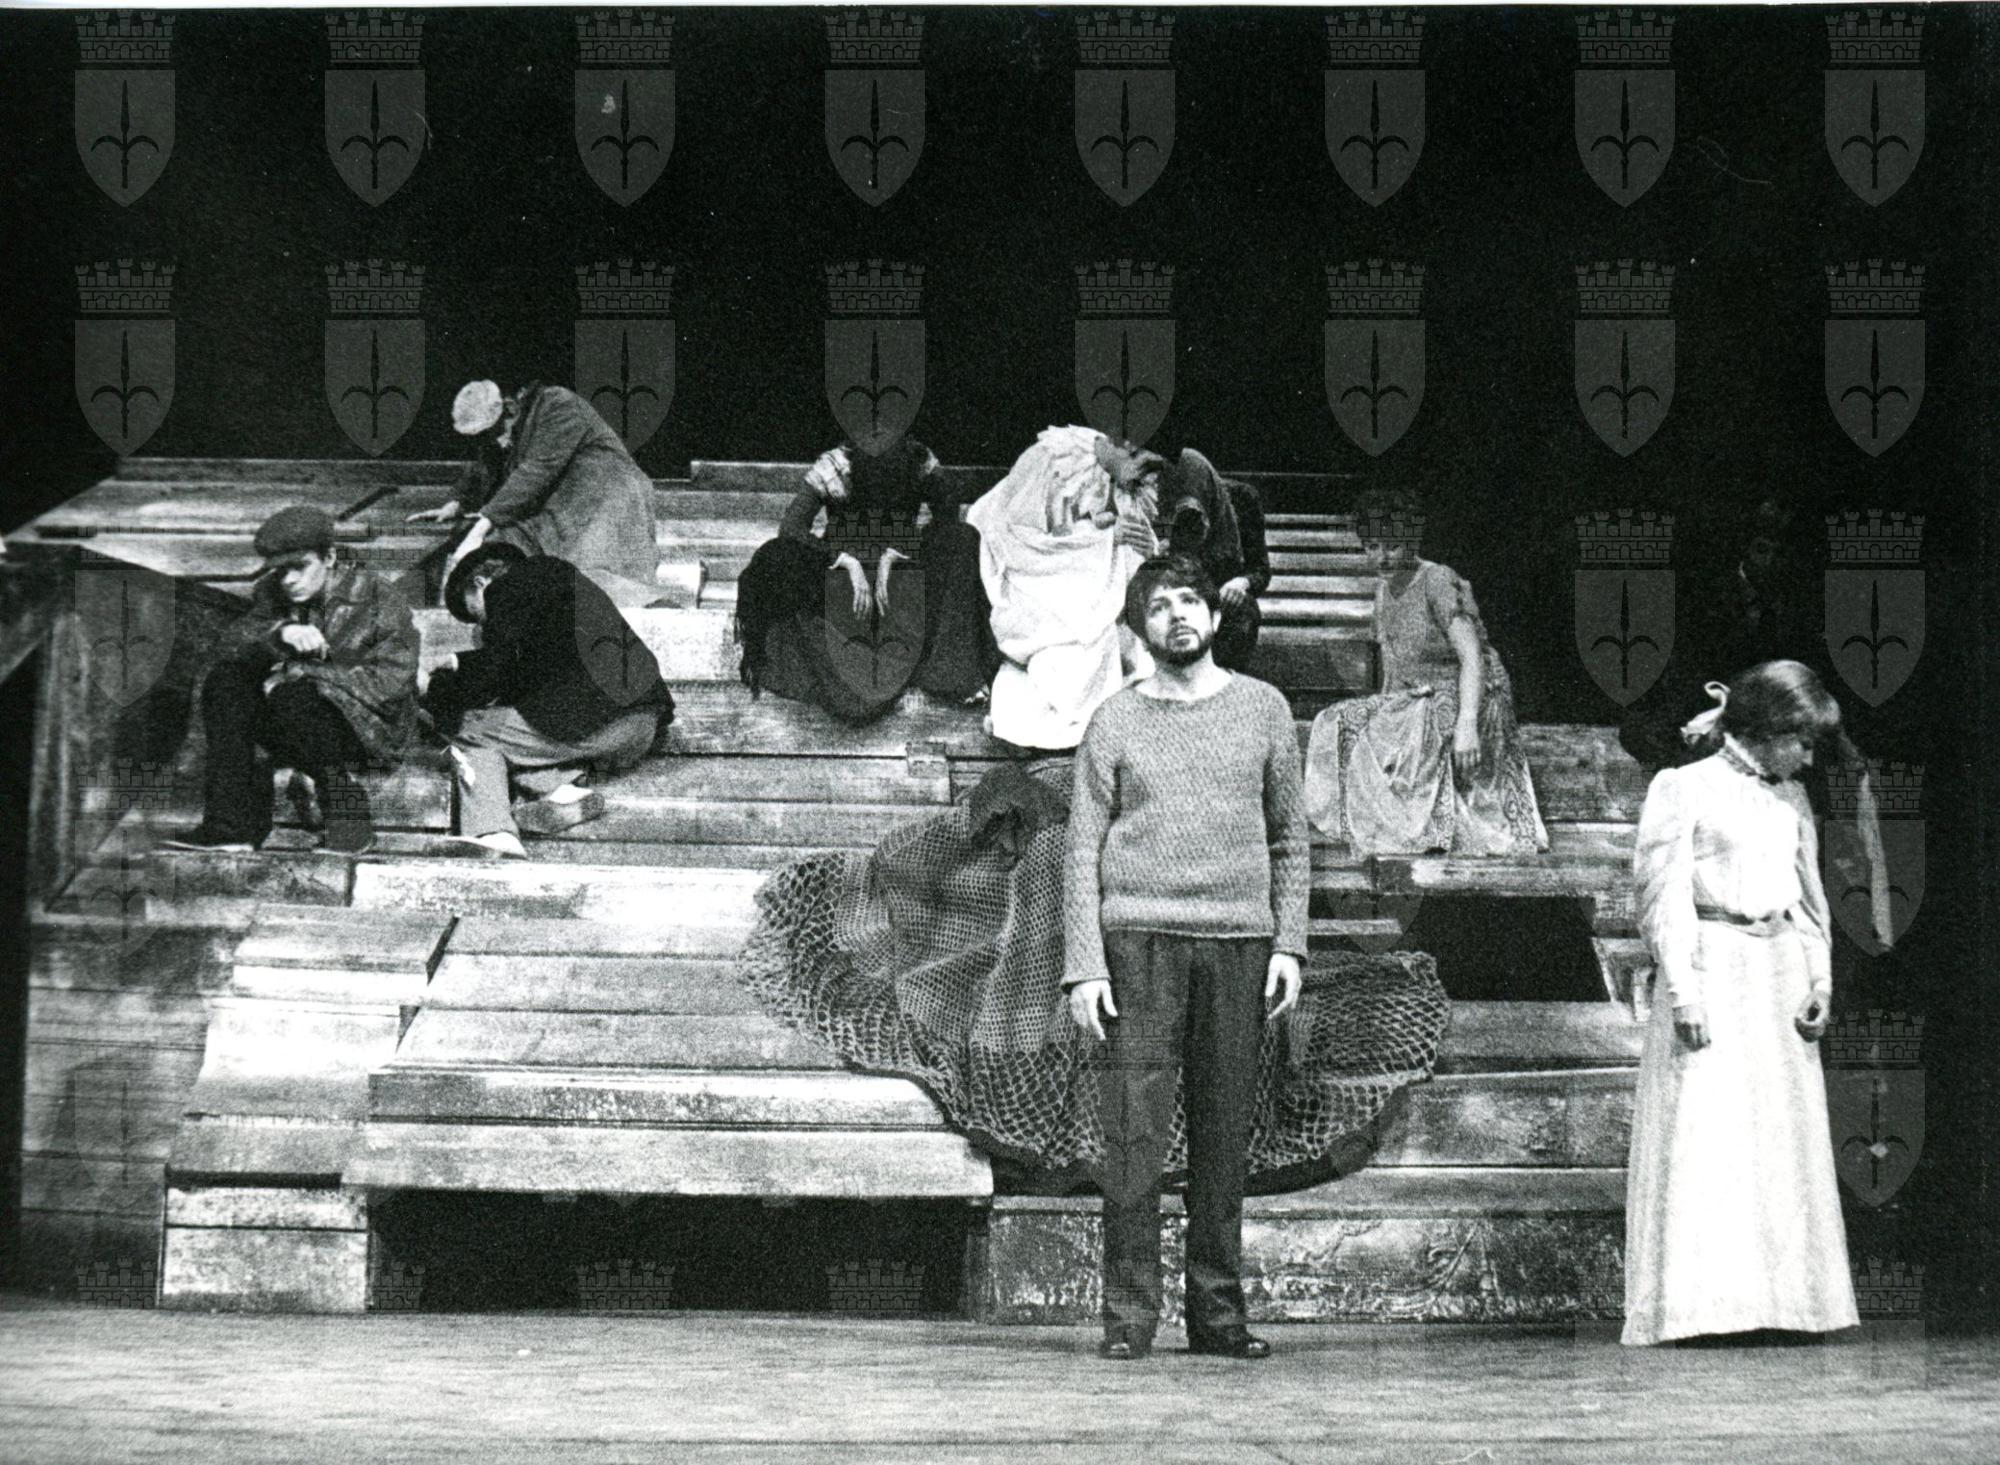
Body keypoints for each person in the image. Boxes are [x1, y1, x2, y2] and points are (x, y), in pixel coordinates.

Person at [1062, 554, 1308, 1363]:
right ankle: (1128, 1316)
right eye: (1160, 605)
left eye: (1190, 601)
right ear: (1140, 627)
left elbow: (1290, 838)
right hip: (1136, 944)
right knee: (1133, 1136)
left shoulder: (1265, 708)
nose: (1177, 615)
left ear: (1215, 615)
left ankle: (1219, 1317)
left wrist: (1289, 942)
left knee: (1223, 1137)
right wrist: (1086, 964)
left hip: (1239, 943)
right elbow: (1081, 849)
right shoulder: (1114, 721)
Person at [1622, 659, 1862, 1347]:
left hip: (1778, 971)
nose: (1808, 757)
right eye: (1801, 742)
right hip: (1715, 966)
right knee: (1712, 1132)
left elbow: (1808, 902)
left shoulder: (1792, 799)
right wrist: (1683, 991)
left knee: (1779, 1137)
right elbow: (1662, 897)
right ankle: (1706, 1310)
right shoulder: (1684, 786)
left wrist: (1820, 982)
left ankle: (1788, 1304)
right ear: (1766, 730)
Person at [1302, 488, 1548, 856]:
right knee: (1336, 720)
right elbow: (1394, 672)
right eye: (1372, 546)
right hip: (1422, 699)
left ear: (1410, 541)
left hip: (1470, 696)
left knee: (1424, 719)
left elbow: (1473, 659)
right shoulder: (1384, 591)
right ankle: (1391, 819)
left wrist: (1467, 725)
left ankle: (1433, 826)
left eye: (1392, 546)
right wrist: (1384, 723)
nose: (1382, 556)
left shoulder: (1437, 580)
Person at [167, 506, 417, 855]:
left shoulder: (380, 599)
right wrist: (279, 633)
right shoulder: (273, 592)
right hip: (297, 721)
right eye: (280, 570)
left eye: (299, 567)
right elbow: (230, 646)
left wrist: (305, 673)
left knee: (294, 696)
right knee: (226, 680)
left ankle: (350, 823)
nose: (288, 580)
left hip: (370, 732)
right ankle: (230, 828)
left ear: (329, 557)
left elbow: (391, 686)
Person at [423, 543, 673, 858]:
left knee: (468, 727)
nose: (483, 627)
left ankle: (494, 832)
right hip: (642, 722)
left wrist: (432, 690)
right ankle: (561, 790)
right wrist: (455, 661)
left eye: (476, 615)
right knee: (505, 736)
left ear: (481, 583)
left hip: (594, 720)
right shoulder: (560, 580)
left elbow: (498, 673)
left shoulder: (505, 588)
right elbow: (525, 670)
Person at [733, 436, 998, 722]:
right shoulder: (835, 464)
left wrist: (897, 552)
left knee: (962, 538)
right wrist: (844, 559)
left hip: (898, 581)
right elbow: (791, 528)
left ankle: (943, 672)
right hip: (847, 584)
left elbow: (948, 516)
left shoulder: (918, 458)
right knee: (775, 554)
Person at [967, 426, 1163, 751]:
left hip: (1078, 577)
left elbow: (1128, 545)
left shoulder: (1126, 478)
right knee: (1086, 640)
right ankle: (1053, 730)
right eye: (1142, 463)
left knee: (1117, 636)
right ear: (1123, 445)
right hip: (1022, 576)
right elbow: (1018, 539)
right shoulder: (1050, 458)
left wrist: (1140, 546)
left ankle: (1100, 728)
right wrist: (1105, 540)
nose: (1144, 478)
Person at [414, 380, 677, 606]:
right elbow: (484, 466)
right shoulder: (510, 433)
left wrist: (480, 528)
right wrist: (456, 503)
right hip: (561, 507)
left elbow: (537, 470)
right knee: (507, 551)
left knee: (597, 579)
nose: (493, 441)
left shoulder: (558, 405)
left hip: (607, 499)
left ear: (510, 409)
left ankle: (657, 610)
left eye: (493, 432)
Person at [1147, 448, 1271, 673]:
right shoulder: (1153, 497)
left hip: (1218, 597)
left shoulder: (1240, 498)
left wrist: (1241, 583)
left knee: (1242, 612)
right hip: (1168, 594)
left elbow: (1260, 569)